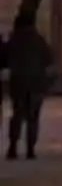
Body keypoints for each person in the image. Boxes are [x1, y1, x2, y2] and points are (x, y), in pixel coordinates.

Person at [6, 13, 53, 159]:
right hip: (37, 83)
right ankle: (30, 149)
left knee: (17, 115)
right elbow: (48, 59)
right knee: (33, 117)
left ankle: (13, 146)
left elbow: (4, 58)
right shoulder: (39, 41)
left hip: (18, 82)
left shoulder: (14, 41)